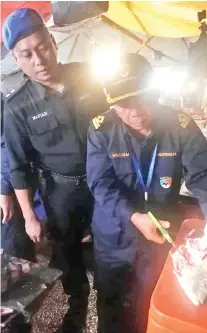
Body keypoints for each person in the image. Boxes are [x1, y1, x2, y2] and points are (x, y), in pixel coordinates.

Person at [86, 53, 207, 333]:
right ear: (112, 105)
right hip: (115, 234)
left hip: (161, 234)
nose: (135, 111)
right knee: (111, 302)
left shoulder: (180, 125)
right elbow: (100, 183)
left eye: (143, 99)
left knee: (150, 300)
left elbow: (204, 174)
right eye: (123, 104)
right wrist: (135, 216)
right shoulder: (101, 130)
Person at [2, 8, 108, 333]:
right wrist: (29, 216)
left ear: (54, 42)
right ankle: (76, 310)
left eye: (42, 47)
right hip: (61, 191)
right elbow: (17, 164)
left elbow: (115, 122)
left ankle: (111, 310)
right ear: (16, 61)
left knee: (112, 246)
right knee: (68, 251)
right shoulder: (18, 105)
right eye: (26, 54)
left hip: (104, 183)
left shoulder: (89, 75)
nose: (39, 59)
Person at [1, 93, 35, 261]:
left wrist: (4, 189)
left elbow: (9, 146)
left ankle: (22, 283)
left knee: (12, 247)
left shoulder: (6, 106)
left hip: (8, 186)